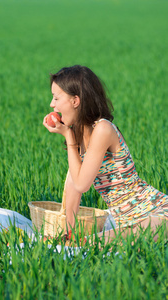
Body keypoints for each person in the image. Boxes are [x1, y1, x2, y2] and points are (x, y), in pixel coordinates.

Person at [43, 65, 167, 242]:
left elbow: (82, 185)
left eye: (56, 98)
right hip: (127, 221)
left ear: (75, 101)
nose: (51, 104)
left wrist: (68, 136)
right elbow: (72, 182)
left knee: (94, 243)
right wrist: (68, 232)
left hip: (156, 213)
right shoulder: (79, 133)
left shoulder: (102, 129)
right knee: (82, 243)